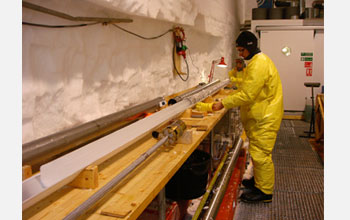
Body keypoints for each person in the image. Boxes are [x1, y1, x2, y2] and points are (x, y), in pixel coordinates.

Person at [196, 31, 283, 203]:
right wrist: (234, 75)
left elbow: (247, 95)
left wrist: (223, 103)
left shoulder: (259, 64)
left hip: (265, 117)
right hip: (260, 116)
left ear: (250, 47)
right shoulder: (256, 63)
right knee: (257, 151)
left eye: (242, 50)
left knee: (261, 155)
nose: (240, 54)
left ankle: (265, 192)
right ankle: (259, 182)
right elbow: (247, 84)